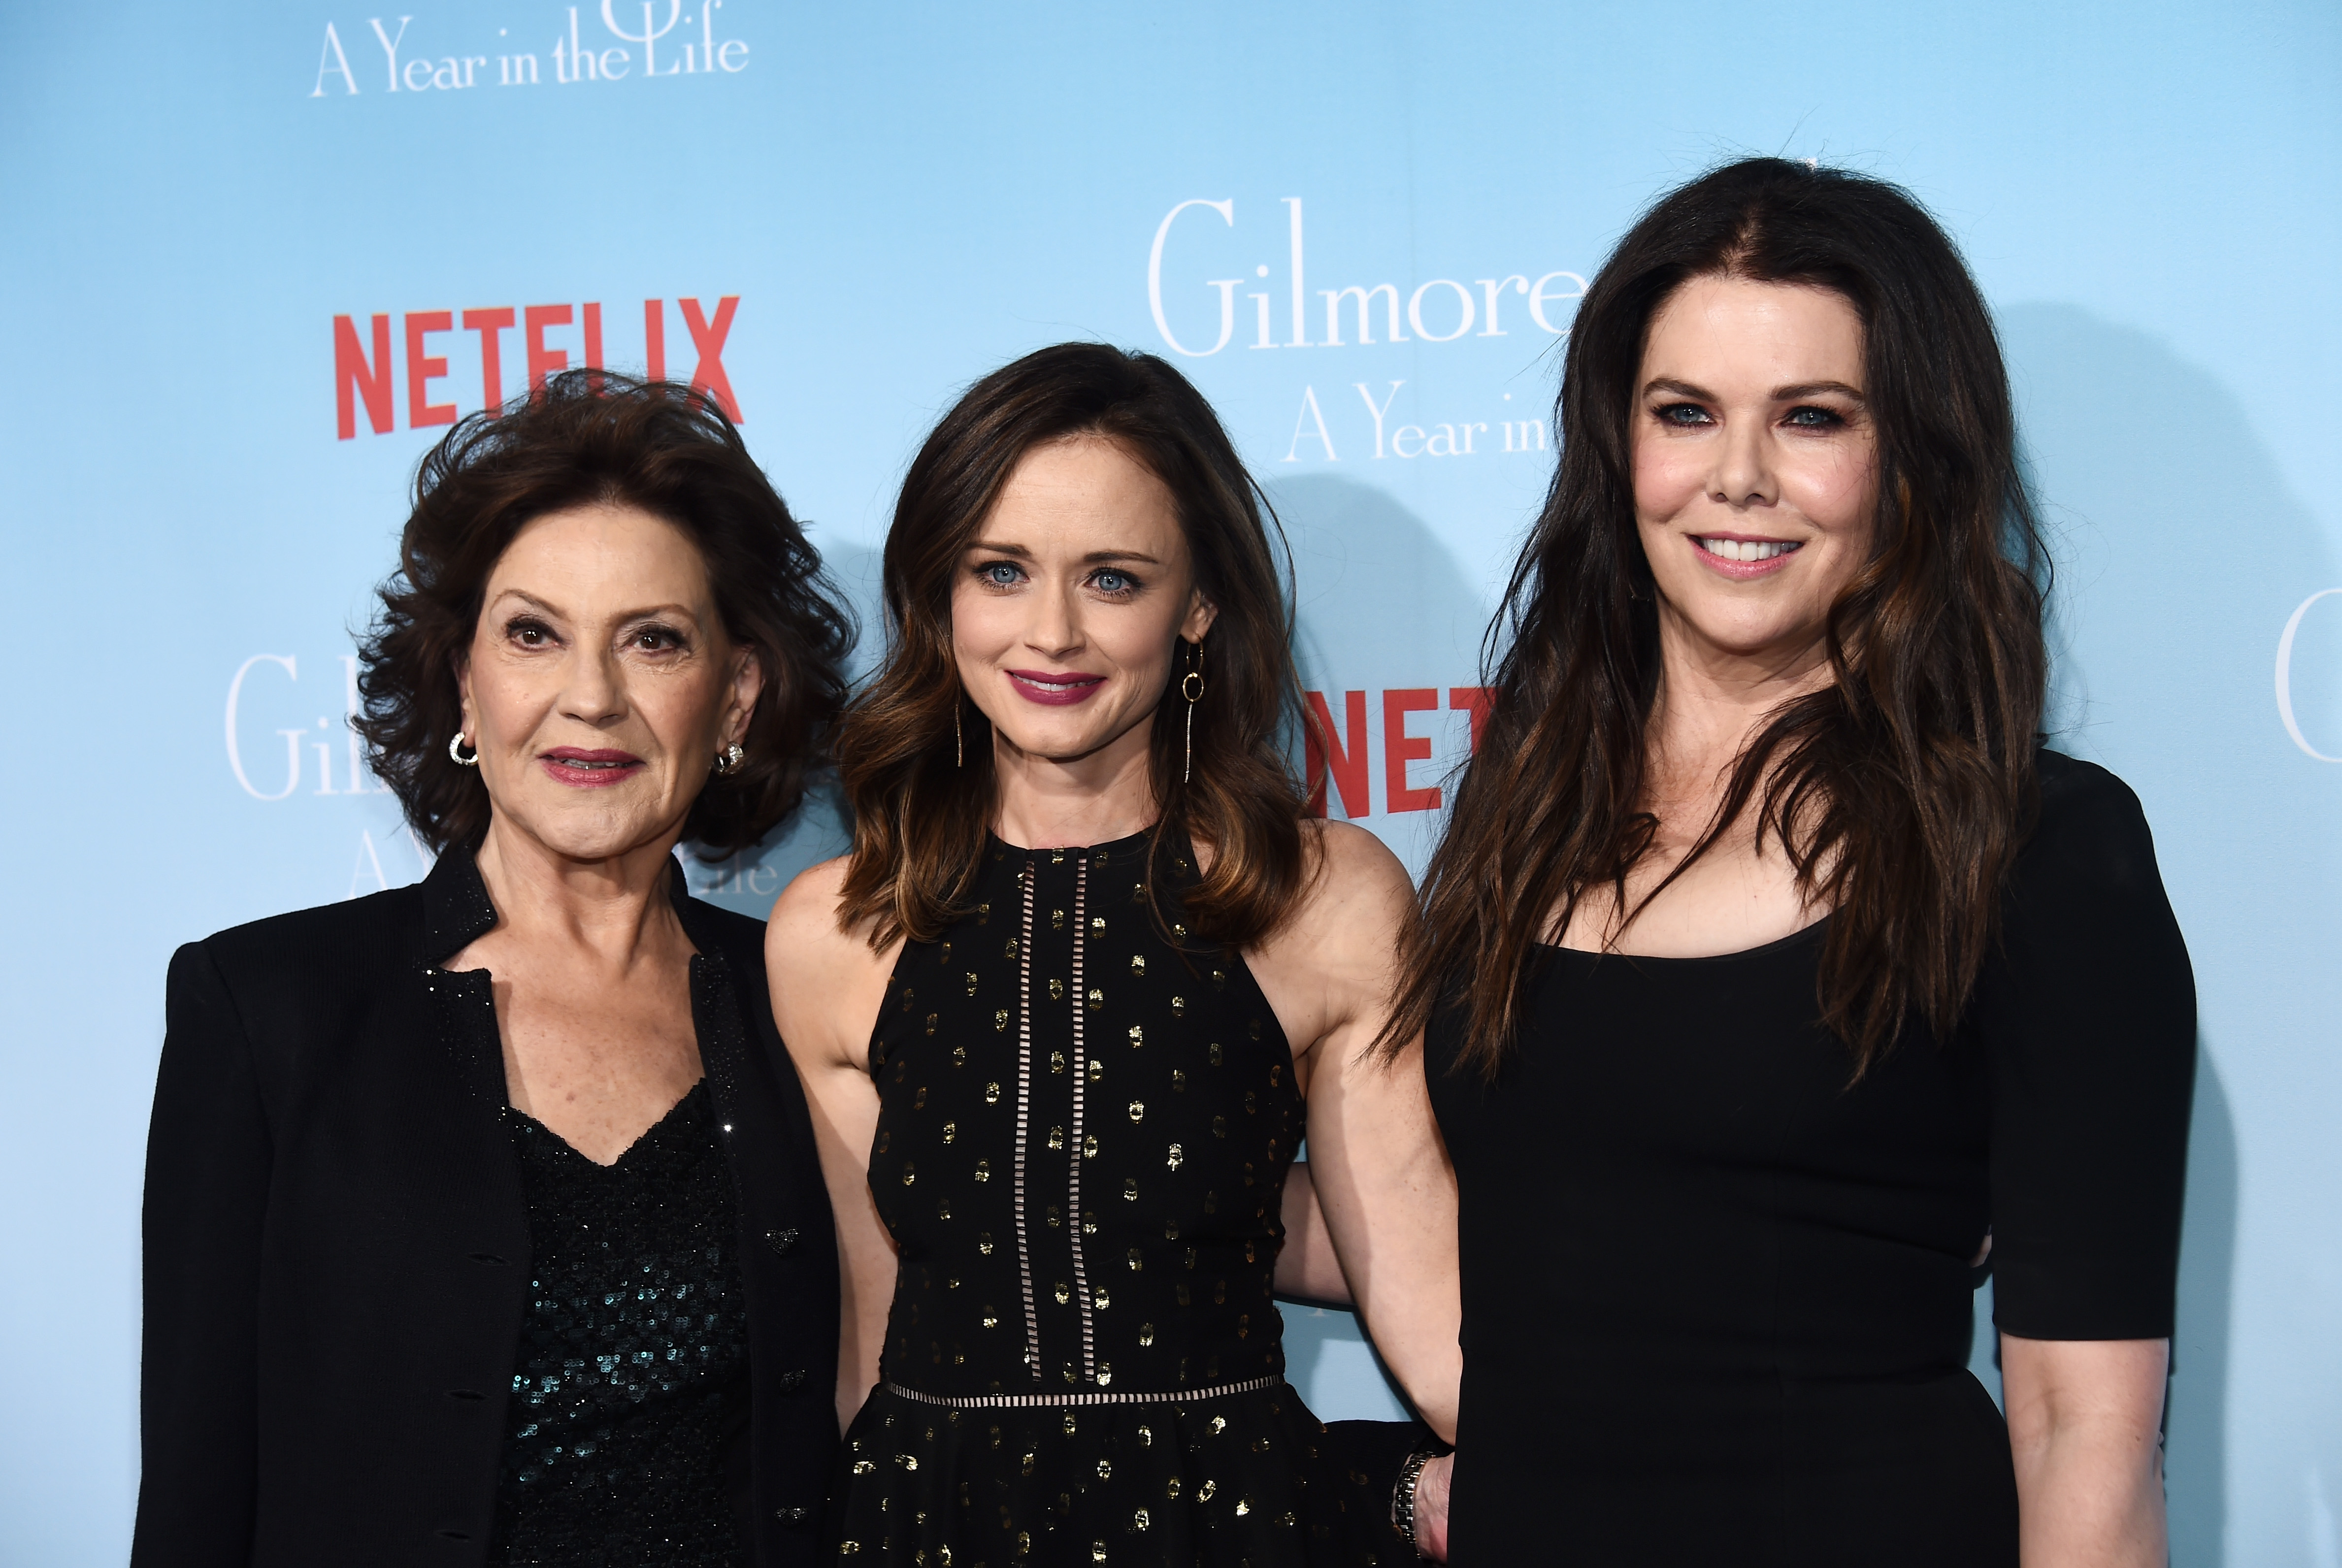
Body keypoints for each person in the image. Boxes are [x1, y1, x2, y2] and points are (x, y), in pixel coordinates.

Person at [1392, 158, 2196, 1567]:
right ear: (1615, 446)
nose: (1737, 478)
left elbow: (2085, 1430)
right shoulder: (1514, 817)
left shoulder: (2035, 847)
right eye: (1683, 414)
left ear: (1910, 463)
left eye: (1811, 418)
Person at [134, 373, 855, 1567]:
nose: (589, 697)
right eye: (534, 633)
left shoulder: (802, 1001)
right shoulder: (267, 1008)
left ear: (735, 695)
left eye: (654, 640)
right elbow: (199, 1489)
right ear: (465, 678)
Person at [766, 342, 1461, 1566]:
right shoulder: (833, 928)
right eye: (1000, 571)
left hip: (1228, 1522)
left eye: (1112, 577)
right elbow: (873, 1329)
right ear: (939, 596)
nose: (1052, 631)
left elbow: (1414, 1278)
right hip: (927, 1525)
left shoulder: (1323, 896)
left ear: (1196, 604)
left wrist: (1602, 1471)